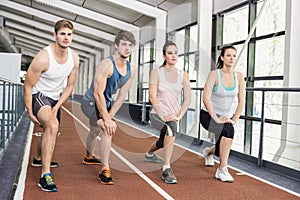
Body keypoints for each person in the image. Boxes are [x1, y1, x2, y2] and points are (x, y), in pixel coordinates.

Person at [24, 19, 79, 192]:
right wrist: (29, 111)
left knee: (51, 130)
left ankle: (38, 157)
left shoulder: (74, 58)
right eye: (62, 34)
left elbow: (70, 85)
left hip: (56, 99)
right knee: (53, 126)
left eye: (69, 34)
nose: (66, 38)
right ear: (55, 35)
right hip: (39, 96)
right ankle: (45, 175)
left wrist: (58, 106)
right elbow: (28, 85)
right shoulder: (43, 57)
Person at [144, 40, 191, 184]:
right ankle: (166, 169)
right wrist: (163, 115)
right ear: (164, 56)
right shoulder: (156, 72)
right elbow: (152, 97)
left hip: (173, 116)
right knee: (170, 129)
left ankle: (149, 153)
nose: (173, 56)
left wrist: (178, 116)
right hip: (156, 113)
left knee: (162, 141)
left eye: (176, 53)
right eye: (170, 53)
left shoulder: (184, 74)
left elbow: (188, 99)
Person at [93, 30, 136, 185]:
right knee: (107, 128)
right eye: (124, 44)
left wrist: (110, 115)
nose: (127, 48)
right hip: (92, 101)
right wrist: (107, 119)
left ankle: (88, 155)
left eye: (130, 45)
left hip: (108, 102)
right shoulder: (107, 64)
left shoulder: (131, 69)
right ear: (116, 46)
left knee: (94, 131)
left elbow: (122, 95)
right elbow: (98, 94)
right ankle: (105, 168)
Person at [200, 45, 245, 183]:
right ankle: (222, 169)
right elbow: (205, 98)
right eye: (228, 55)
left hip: (226, 118)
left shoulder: (239, 77)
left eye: (233, 56)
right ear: (222, 57)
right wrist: (216, 118)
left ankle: (208, 152)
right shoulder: (214, 74)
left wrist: (234, 119)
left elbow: (241, 101)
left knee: (221, 149)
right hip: (208, 115)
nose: (231, 58)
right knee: (228, 131)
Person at [80, 79, 102, 165]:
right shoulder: (104, 73)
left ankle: (90, 155)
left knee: (96, 131)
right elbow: (98, 94)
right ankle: (89, 156)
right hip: (90, 103)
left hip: (98, 102)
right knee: (95, 130)